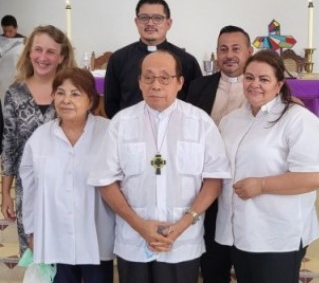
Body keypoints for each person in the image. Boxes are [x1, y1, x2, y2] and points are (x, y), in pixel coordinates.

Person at [88, 49, 230, 283]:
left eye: (165, 78)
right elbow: (105, 181)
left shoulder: (200, 122)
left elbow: (215, 179)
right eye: (149, 77)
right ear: (140, 82)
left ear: (179, 82)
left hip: (182, 240)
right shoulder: (122, 123)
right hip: (133, 238)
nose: (156, 85)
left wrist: (184, 223)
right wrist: (140, 226)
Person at [215, 50, 319, 283]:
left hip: (277, 234)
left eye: (264, 79)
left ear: (279, 85)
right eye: (249, 77)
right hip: (239, 230)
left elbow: (317, 176)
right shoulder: (231, 120)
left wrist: (262, 184)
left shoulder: (298, 120)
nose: (254, 84)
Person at [20, 67, 115, 283]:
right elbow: (30, 189)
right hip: (55, 236)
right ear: (53, 97)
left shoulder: (109, 132)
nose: (66, 100)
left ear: (91, 100)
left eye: (75, 93)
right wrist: (32, 230)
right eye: (60, 93)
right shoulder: (40, 137)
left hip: (97, 236)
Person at [1, 25, 76, 256]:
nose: (43, 57)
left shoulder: (70, 91)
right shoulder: (15, 93)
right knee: (35, 256)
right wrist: (5, 193)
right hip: (30, 187)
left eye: (51, 52)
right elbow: (9, 145)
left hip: (68, 186)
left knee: (66, 256)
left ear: (61, 56)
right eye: (38, 50)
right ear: (29, 52)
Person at [186, 25, 253, 283]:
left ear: (249, 51)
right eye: (223, 49)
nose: (229, 55)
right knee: (213, 261)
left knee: (249, 262)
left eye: (236, 48)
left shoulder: (261, 87)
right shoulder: (198, 87)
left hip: (246, 184)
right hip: (209, 183)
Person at [104, 0, 203, 118]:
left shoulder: (187, 61)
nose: (150, 23)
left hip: (174, 130)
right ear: (136, 22)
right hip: (131, 131)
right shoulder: (119, 59)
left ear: (169, 23)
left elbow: (197, 102)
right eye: (144, 18)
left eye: (157, 18)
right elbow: (111, 104)